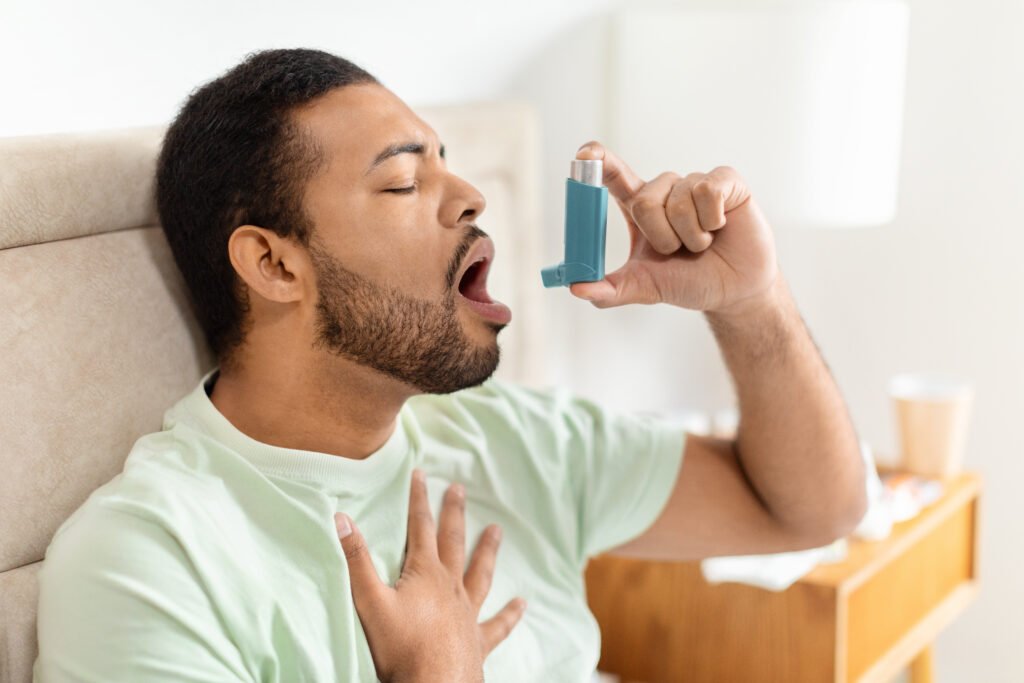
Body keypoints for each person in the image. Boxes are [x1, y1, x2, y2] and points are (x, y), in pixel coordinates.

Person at [33, 48, 867, 682]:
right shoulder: (149, 562)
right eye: (402, 182)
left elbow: (808, 510)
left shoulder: (505, 434)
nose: (469, 195)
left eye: (447, 160)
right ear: (275, 264)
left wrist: (751, 303)